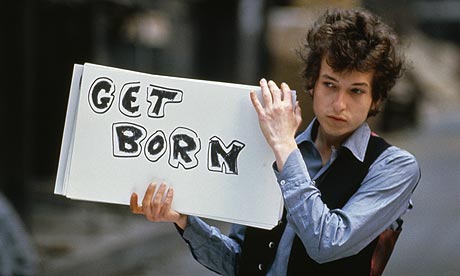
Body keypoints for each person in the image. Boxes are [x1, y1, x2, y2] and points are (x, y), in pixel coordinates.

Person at [130, 7, 420, 276]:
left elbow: (327, 243)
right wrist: (183, 219)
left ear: (376, 99)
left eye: (356, 91)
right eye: (330, 85)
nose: (339, 104)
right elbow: (239, 262)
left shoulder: (394, 166)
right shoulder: (272, 151)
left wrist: (284, 147)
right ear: (312, 85)